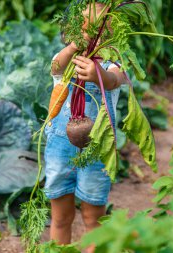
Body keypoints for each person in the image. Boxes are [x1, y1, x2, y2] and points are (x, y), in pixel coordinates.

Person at [44, 2, 127, 252]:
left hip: (96, 148)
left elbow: (114, 80)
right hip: (61, 145)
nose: (93, 36)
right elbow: (55, 67)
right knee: (60, 216)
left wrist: (98, 74)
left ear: (115, 35)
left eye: (102, 30)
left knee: (93, 217)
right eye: (85, 30)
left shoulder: (115, 63)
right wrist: (73, 47)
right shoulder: (68, 59)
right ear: (71, 31)